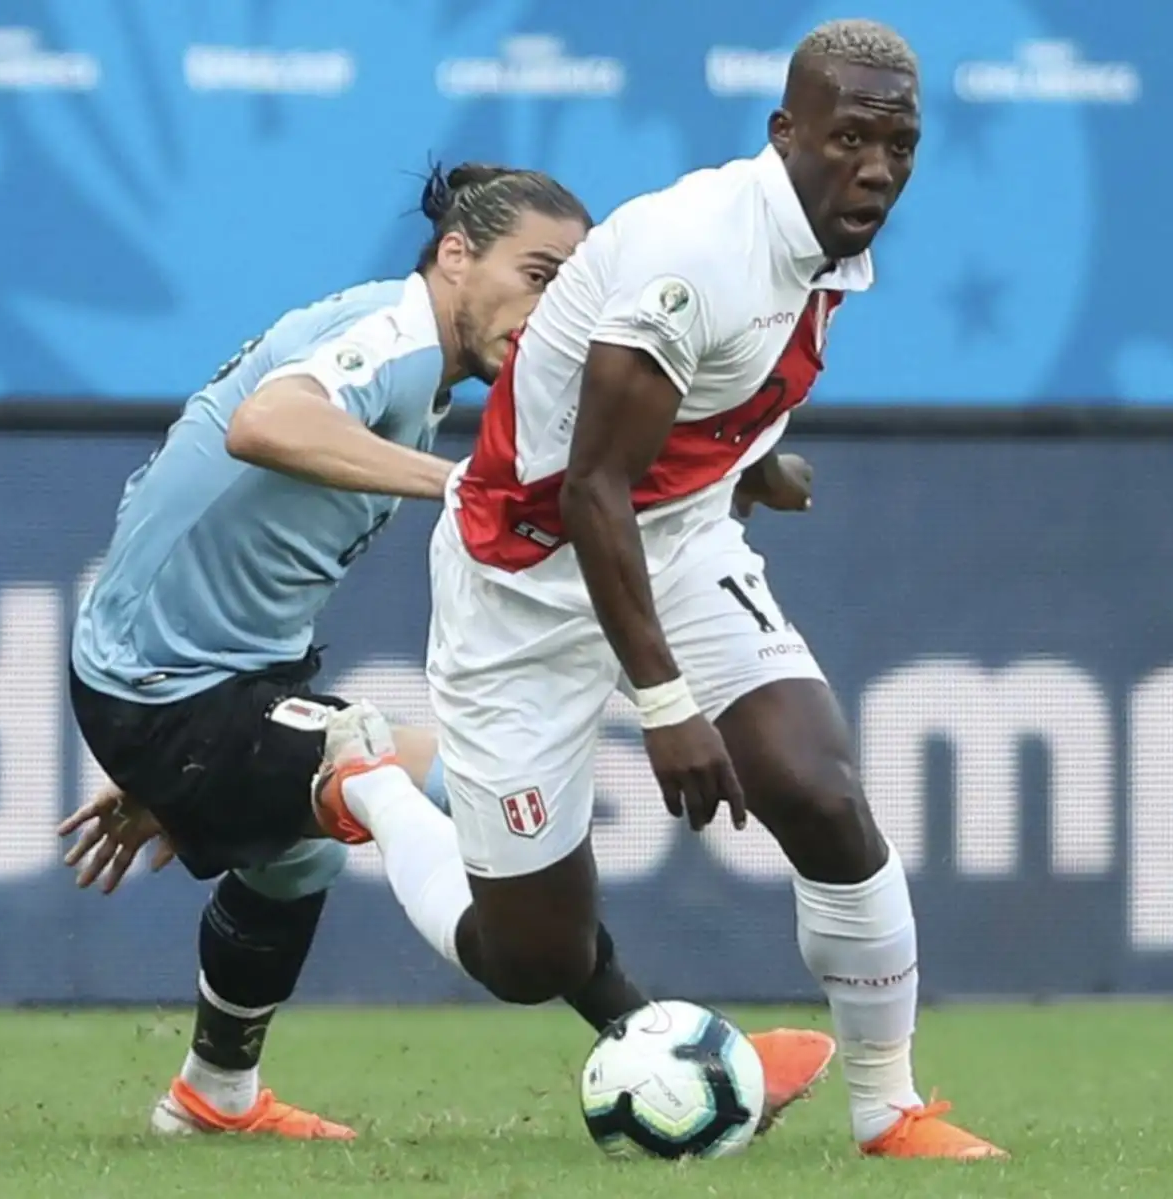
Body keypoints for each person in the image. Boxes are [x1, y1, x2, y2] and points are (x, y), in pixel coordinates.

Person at [312, 20, 1007, 1159]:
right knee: (531, 955)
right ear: (786, 132)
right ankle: (375, 783)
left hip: (673, 545)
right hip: (524, 582)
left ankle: (890, 1108)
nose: (877, 168)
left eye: (900, 145)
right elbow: (591, 485)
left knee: (817, 789)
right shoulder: (697, 255)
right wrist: (668, 704)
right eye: (851, 139)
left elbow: (692, 411)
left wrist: (752, 462)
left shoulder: (826, 243)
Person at [63, 162, 835, 1140]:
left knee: (423, 821)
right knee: (364, 765)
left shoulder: (420, 368)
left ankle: (214, 1091)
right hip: (168, 688)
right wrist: (461, 482)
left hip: (207, 685)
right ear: (456, 255)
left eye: (573, 289)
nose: (550, 310)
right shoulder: (391, 335)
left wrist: (744, 466)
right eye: (537, 275)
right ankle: (664, 1042)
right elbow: (266, 423)